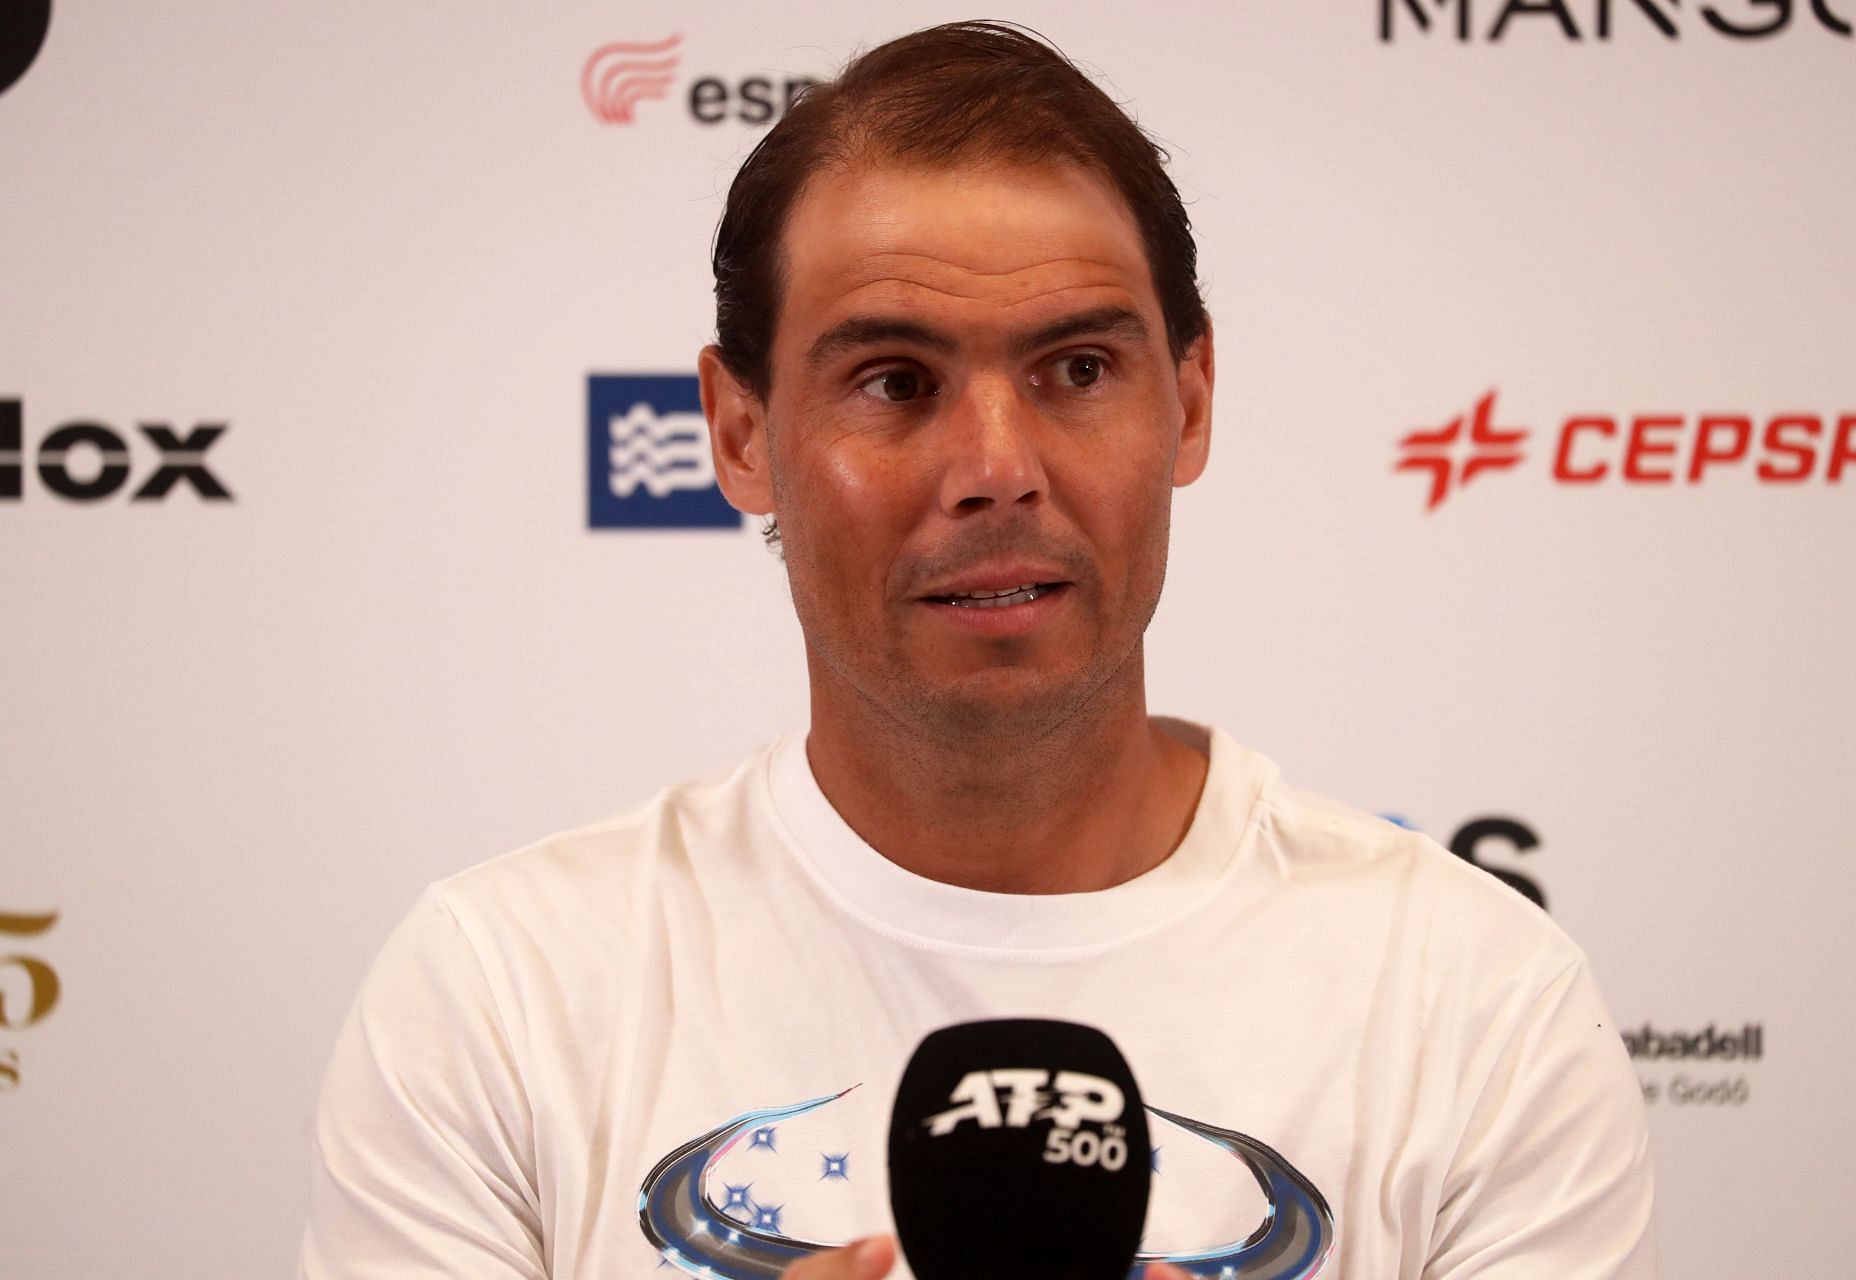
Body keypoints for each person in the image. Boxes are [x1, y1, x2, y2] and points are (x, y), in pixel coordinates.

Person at [300, 21, 1656, 1280]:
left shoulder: (1478, 1003)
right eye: (894, 380)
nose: (996, 471)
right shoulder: (500, 996)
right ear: (737, 434)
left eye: (1076, 369)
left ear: (1188, 403)